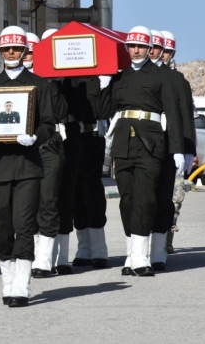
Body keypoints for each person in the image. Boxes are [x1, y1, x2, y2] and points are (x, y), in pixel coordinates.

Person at [0, 26, 54, 307]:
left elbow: (48, 124)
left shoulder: (39, 84)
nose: (11, 53)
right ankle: (7, 280)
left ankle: (22, 284)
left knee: (25, 224)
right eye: (6, 49)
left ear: (24, 51)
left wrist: (36, 137)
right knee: (2, 227)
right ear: (1, 52)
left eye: (16, 49)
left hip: (28, 166)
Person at [98, 26, 184, 277]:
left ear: (149, 48)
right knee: (127, 199)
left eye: (141, 46)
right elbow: (103, 110)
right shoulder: (120, 76)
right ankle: (131, 254)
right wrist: (104, 82)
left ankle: (140, 256)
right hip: (123, 142)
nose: (135, 50)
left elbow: (174, 114)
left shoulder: (161, 76)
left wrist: (178, 149)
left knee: (146, 198)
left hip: (150, 142)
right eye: (131, 46)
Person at [23, 31, 68, 279]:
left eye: (32, 53)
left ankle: (44, 260)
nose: (27, 57)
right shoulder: (13, 81)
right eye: (25, 52)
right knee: (26, 204)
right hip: (21, 151)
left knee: (48, 202)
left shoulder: (49, 82)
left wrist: (55, 82)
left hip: (49, 148)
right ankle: (29, 255)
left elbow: (60, 112)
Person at [159, 30, 197, 256]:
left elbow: (186, 119)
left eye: (166, 52)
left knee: (175, 198)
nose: (162, 55)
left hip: (177, 148)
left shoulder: (180, 81)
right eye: (160, 50)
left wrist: (190, 150)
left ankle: (167, 237)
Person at [67, 73, 110, 270]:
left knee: (92, 192)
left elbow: (102, 109)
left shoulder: (97, 80)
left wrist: (105, 85)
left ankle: (99, 250)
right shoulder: (63, 80)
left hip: (92, 137)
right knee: (75, 192)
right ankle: (83, 248)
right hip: (70, 138)